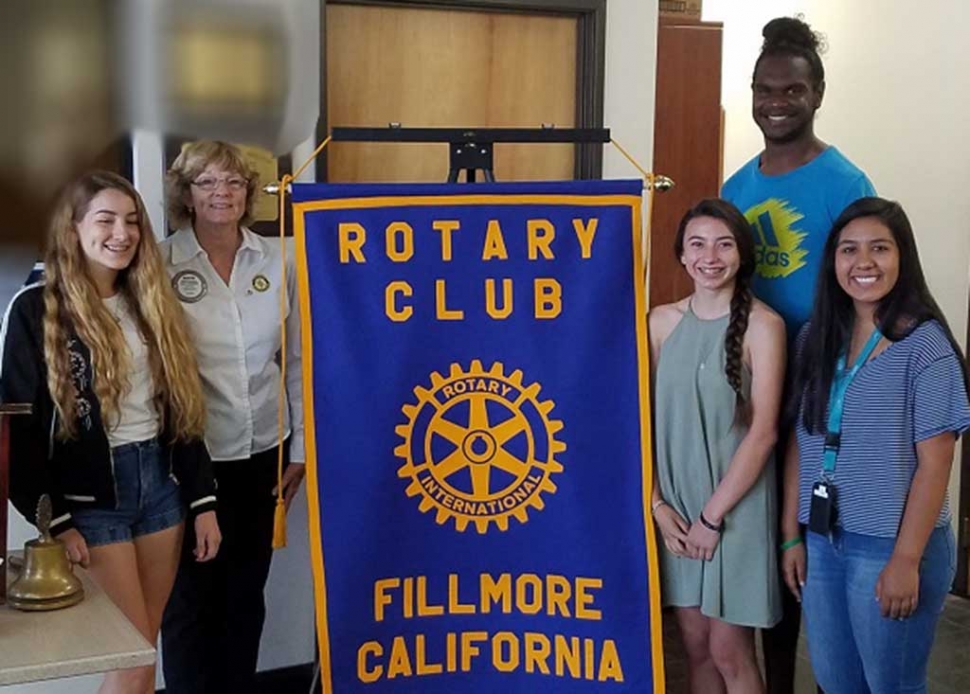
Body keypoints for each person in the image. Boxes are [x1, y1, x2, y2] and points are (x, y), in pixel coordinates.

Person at [0, 171, 220, 694]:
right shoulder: (35, 307)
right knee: (134, 658)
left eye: (132, 222)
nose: (121, 233)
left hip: (161, 490)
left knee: (144, 653)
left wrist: (203, 499)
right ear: (72, 228)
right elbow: (19, 431)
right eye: (105, 220)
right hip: (91, 501)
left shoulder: (152, 301)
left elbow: (183, 409)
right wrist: (55, 517)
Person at [720, 18, 877, 692]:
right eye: (763, 89)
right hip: (754, 397)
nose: (774, 102)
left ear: (817, 93)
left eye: (791, 90)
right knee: (767, 557)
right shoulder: (736, 187)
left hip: (820, 398)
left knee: (823, 547)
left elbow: (866, 286)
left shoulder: (845, 181)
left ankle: (837, 678)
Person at [780, 197, 969, 694]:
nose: (863, 263)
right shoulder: (814, 339)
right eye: (849, 250)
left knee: (891, 684)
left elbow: (936, 461)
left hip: (890, 546)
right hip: (824, 541)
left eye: (879, 249)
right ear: (833, 262)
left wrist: (905, 561)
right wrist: (792, 536)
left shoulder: (925, 347)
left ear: (902, 257)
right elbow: (802, 444)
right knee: (836, 681)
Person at [159, 140, 305, 693]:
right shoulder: (158, 261)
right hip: (189, 458)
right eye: (207, 183)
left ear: (248, 194)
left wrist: (299, 451)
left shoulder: (280, 257)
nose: (222, 193)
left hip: (262, 452)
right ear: (186, 195)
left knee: (246, 594)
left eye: (234, 183)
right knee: (190, 599)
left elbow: (296, 358)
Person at [650, 199, 786, 694]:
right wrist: (657, 504)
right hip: (677, 510)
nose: (711, 256)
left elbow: (764, 431)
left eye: (724, 243)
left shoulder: (764, 326)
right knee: (695, 647)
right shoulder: (658, 324)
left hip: (734, 508)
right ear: (682, 256)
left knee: (731, 651)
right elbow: (639, 423)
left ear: (742, 255)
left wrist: (713, 517)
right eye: (698, 244)